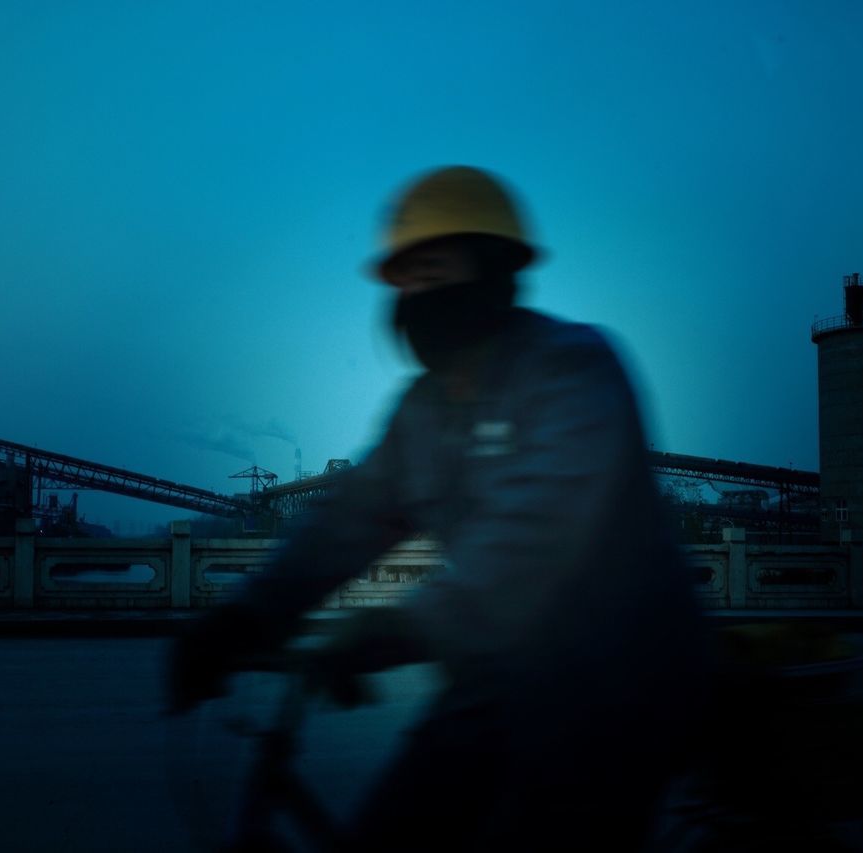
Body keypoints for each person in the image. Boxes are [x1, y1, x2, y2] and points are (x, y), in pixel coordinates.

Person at [167, 165, 711, 849]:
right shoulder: (422, 412)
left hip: (622, 685)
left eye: (438, 273)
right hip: (503, 679)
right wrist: (246, 614)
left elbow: (533, 536)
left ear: (493, 274)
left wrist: (399, 627)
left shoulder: (572, 369)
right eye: (408, 281)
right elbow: (346, 520)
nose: (418, 298)